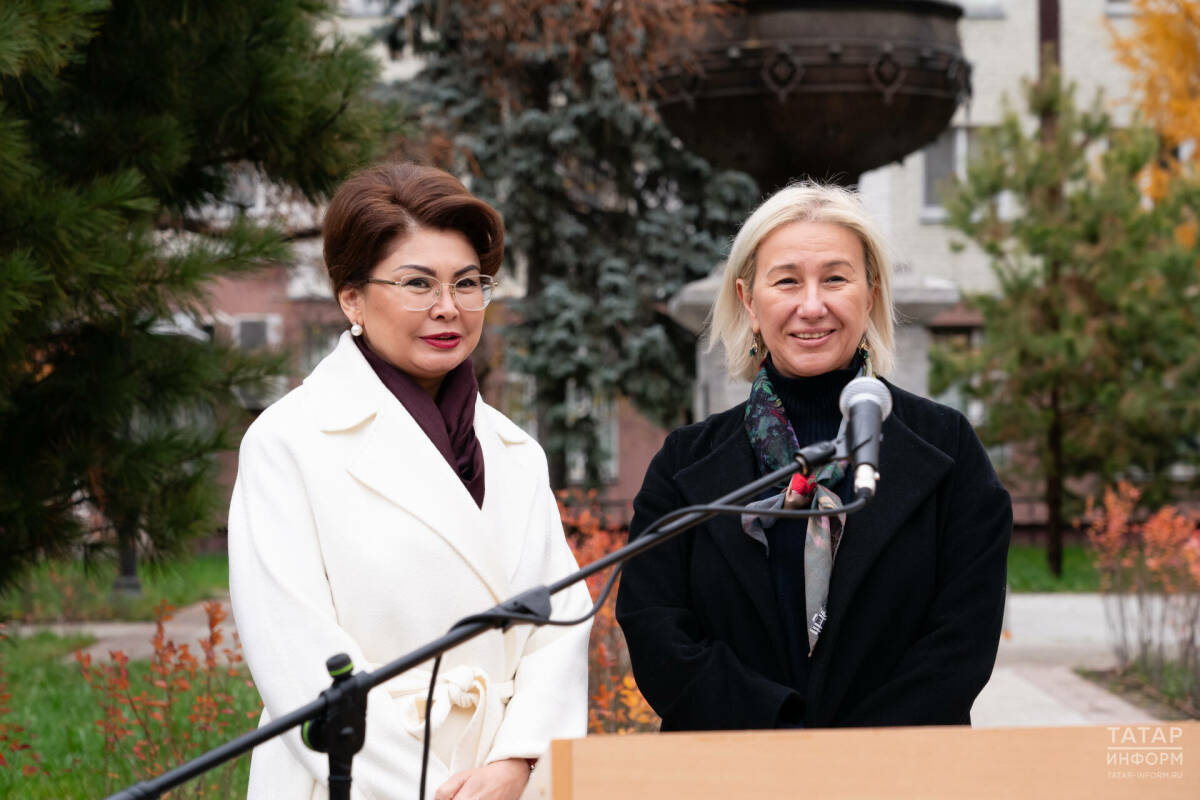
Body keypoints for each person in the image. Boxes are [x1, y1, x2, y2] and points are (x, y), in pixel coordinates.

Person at [228, 163, 591, 800]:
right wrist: (427, 789)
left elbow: (560, 620)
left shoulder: (514, 451)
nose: (448, 308)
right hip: (354, 776)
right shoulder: (288, 442)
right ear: (351, 298)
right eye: (417, 283)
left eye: (467, 283)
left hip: (503, 780)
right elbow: (295, 655)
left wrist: (517, 760)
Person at [615, 182, 1011, 731]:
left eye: (835, 279)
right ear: (749, 302)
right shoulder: (685, 465)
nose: (811, 305)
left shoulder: (948, 448)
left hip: (901, 765)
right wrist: (780, 734)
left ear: (870, 296)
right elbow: (656, 628)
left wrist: (849, 758)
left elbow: (964, 635)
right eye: (787, 281)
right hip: (731, 764)